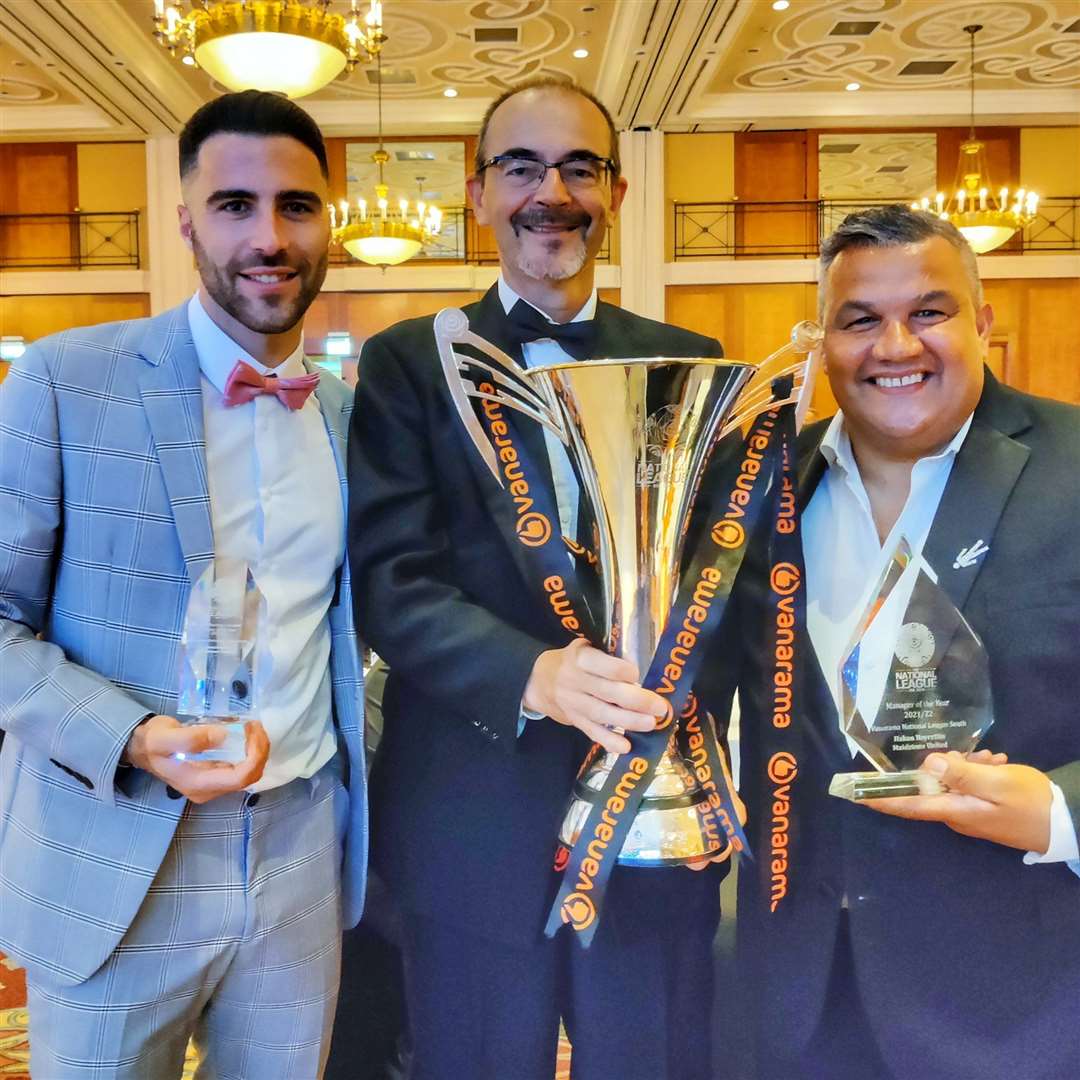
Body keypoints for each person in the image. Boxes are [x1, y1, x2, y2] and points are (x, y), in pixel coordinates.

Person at [347, 78, 728, 1080]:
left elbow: (727, 578)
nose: (548, 191)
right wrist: (536, 675)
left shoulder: (693, 365)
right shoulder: (406, 366)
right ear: (476, 194)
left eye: (577, 167)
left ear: (619, 189)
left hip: (655, 816)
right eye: (519, 166)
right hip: (469, 821)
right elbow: (390, 579)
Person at [0, 90, 367, 1079]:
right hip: (114, 848)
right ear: (185, 220)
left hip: (298, 853)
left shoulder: (348, 413)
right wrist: (134, 737)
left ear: (330, 217)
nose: (269, 236)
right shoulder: (63, 381)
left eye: (297, 205)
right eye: (234, 204)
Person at [708, 204, 1080, 1080]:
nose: (896, 347)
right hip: (792, 994)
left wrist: (1061, 813)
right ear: (824, 342)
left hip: (1020, 1001)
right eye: (861, 320)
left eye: (930, 312)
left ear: (982, 322)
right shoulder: (756, 489)